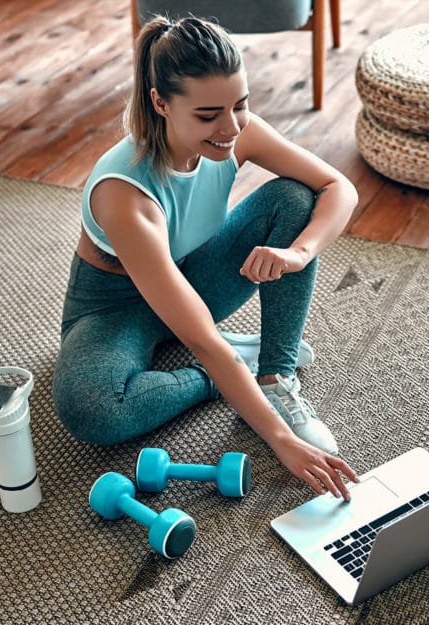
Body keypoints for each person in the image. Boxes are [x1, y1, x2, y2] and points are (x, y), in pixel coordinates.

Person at [52, 16, 359, 499]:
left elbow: (337, 187)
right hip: (113, 306)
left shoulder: (237, 132)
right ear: (160, 103)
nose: (231, 127)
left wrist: (299, 254)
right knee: (93, 410)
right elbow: (201, 338)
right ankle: (231, 370)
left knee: (293, 200)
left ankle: (275, 373)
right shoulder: (124, 194)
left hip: (191, 273)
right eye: (208, 114)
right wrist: (280, 441)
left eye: (240, 105)